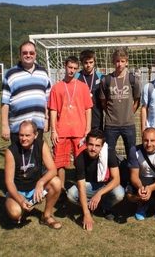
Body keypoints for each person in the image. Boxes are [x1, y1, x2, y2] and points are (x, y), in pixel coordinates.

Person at [48, 56, 93, 200]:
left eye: (74, 68)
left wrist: (88, 129)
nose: (72, 71)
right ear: (64, 67)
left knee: (81, 161)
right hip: (61, 131)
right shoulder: (57, 88)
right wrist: (53, 130)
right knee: (60, 162)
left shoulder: (82, 86)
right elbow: (53, 110)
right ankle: (60, 189)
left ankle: (82, 187)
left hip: (79, 131)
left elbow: (88, 109)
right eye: (69, 68)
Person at [4, 120, 62, 229]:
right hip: (18, 191)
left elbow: (53, 170)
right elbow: (9, 182)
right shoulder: (11, 151)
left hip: (35, 189)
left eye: (27, 135)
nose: (24, 138)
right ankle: (19, 209)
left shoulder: (41, 145)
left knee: (56, 182)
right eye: (21, 135)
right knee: (15, 213)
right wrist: (20, 200)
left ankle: (46, 215)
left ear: (35, 135)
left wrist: (40, 182)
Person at [67, 129, 125, 231]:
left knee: (119, 193)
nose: (93, 149)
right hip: (88, 186)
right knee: (71, 194)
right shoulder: (80, 159)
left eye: (97, 146)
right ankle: (90, 207)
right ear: (86, 144)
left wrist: (99, 194)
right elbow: (81, 187)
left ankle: (105, 206)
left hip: (104, 185)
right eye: (91, 144)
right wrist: (86, 213)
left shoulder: (109, 153)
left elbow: (116, 180)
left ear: (102, 146)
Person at [1, 41, 51, 143]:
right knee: (18, 158)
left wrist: (46, 119)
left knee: (37, 158)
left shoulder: (43, 72)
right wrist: (4, 126)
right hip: (18, 128)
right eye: (25, 53)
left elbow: (47, 100)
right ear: (20, 54)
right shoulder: (10, 74)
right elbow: (5, 103)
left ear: (35, 54)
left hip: (38, 127)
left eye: (31, 53)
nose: (28, 55)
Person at [99, 48, 141, 158]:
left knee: (131, 153)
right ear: (113, 62)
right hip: (111, 124)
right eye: (117, 61)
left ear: (127, 62)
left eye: (122, 61)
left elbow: (137, 101)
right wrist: (111, 114)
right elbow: (103, 102)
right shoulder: (106, 80)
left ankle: (130, 175)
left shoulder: (133, 80)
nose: (120, 64)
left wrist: (129, 113)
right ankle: (112, 174)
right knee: (108, 153)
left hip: (128, 124)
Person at [126, 127, 155, 221]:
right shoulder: (134, 150)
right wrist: (140, 187)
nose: (149, 144)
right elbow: (134, 175)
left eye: (152, 141)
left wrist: (151, 188)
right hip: (142, 178)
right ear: (142, 139)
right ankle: (141, 204)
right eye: (146, 140)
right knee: (129, 196)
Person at [75, 50, 104, 130]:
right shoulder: (76, 78)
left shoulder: (101, 78)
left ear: (94, 62)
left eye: (91, 62)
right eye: (86, 62)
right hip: (80, 119)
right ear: (82, 63)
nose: (88, 65)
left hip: (97, 119)